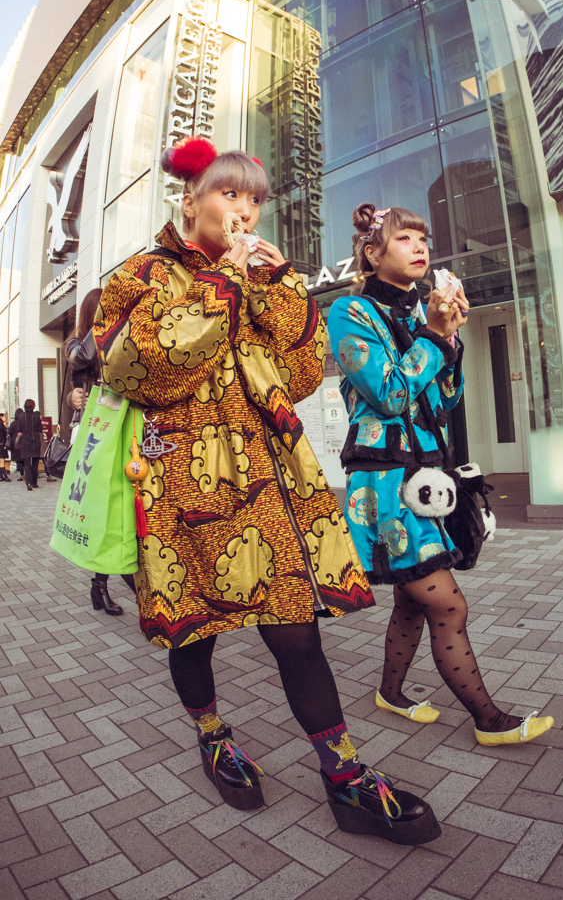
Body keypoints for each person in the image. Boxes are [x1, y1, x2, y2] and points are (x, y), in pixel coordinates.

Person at [93, 139, 439, 844]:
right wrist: (223, 279)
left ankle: (344, 776)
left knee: (296, 632)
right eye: (230, 194)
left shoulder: (260, 273)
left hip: (268, 481)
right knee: (195, 628)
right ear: (191, 200)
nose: (245, 210)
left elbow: (304, 372)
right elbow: (138, 368)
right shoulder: (140, 275)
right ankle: (213, 735)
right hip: (182, 484)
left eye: (253, 199)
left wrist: (278, 283)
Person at [327, 203, 554, 746]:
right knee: (449, 603)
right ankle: (489, 720)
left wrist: (449, 339)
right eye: (404, 238)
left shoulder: (416, 316)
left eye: (423, 238)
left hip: (427, 474)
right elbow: (390, 395)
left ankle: (390, 693)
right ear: (372, 252)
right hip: (384, 481)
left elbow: (444, 400)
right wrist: (433, 337)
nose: (420, 247)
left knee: (413, 600)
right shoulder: (350, 312)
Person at [66, 287, 134, 616]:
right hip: (93, 433)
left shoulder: (120, 338)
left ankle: (102, 585)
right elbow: (79, 363)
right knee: (102, 509)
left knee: (119, 506)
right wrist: (72, 399)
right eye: (105, 308)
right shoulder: (77, 343)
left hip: (120, 428)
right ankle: (103, 586)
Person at [17, 399, 43, 491]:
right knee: (35, 463)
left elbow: (19, 429)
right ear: (33, 406)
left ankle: (28, 483)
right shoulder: (36, 416)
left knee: (27, 464)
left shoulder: (21, 416)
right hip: (35, 441)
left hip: (25, 442)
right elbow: (40, 429)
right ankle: (34, 482)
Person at [8, 408, 24, 480]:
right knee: (24, 460)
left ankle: (22, 475)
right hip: (24, 443)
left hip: (15, 444)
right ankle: (26, 475)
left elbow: (9, 432)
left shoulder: (14, 423)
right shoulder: (24, 423)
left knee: (18, 461)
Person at [0, 413, 9, 482]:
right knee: (2, 461)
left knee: (1, 461)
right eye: (4, 417)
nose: (5, 418)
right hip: (1, 445)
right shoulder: (1, 426)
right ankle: (5, 476)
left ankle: (1, 476)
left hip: (2, 445)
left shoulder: (3, 425)